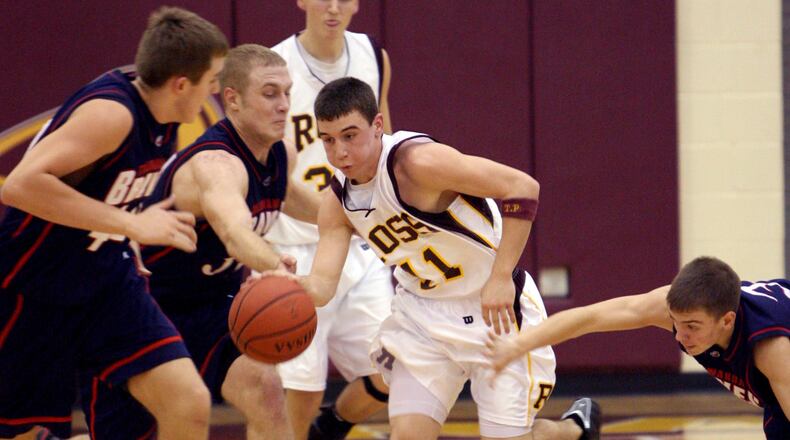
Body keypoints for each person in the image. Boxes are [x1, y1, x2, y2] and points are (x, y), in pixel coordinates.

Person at [265, 77, 600, 440]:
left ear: (378, 126)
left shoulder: (417, 163)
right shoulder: (337, 203)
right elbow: (323, 287)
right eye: (328, 140)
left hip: (493, 311)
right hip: (422, 319)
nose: (339, 152)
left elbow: (523, 188)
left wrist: (501, 276)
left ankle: (571, 430)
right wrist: (290, 286)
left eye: (350, 135)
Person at [0, 7, 227, 440]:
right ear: (181, 84)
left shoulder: (163, 115)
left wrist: (129, 237)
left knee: (189, 402)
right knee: (24, 433)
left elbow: (107, 190)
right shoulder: (113, 114)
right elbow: (20, 186)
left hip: (106, 282)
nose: (215, 88)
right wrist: (132, 224)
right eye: (211, 78)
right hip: (35, 284)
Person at [140, 44, 320, 440]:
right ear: (233, 100)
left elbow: (302, 203)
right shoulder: (216, 165)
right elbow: (235, 233)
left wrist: (368, 218)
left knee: (267, 391)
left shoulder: (279, 153)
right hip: (147, 307)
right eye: (270, 93)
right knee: (169, 419)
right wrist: (274, 267)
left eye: (288, 93)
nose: (284, 105)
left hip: (212, 306)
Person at [267, 1, 394, 438]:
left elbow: (385, 145)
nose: (334, 6)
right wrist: (336, 216)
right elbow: (271, 177)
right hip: (295, 248)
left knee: (398, 370)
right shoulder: (274, 67)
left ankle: (334, 425)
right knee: (299, 392)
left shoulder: (373, 56)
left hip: (360, 247)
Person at [486, 256, 790, 439]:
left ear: (726, 321)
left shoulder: (772, 350)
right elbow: (589, 318)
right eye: (676, 323)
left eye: (692, 327)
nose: (680, 336)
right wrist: (518, 343)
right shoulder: (676, 307)